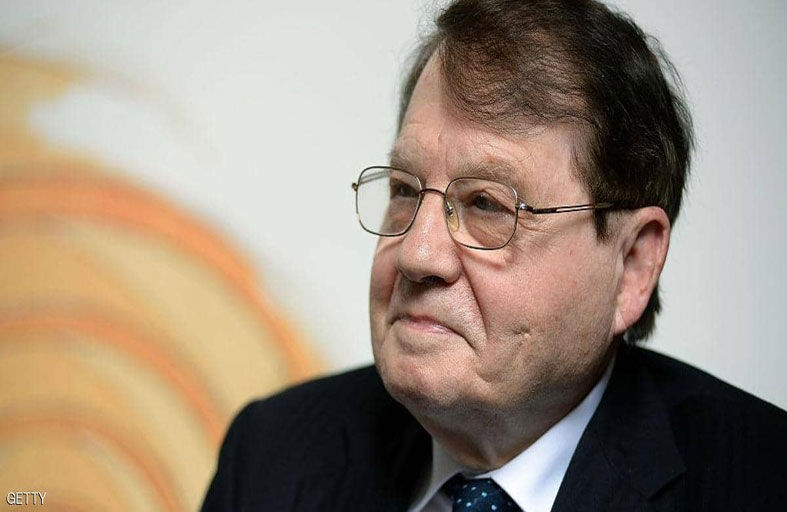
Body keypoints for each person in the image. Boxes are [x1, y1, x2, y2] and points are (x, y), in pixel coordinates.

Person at [201, 0, 787, 510]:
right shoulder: (272, 456)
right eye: (405, 190)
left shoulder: (759, 480)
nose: (417, 255)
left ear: (632, 264)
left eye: (486, 204)